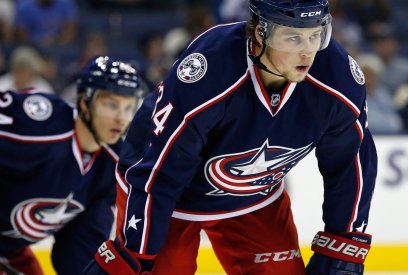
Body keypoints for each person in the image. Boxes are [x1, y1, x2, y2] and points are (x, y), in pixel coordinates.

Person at [85, 0, 377, 274]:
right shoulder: (210, 70)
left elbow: (351, 160)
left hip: (254, 197)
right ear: (261, 33)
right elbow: (160, 167)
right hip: (171, 199)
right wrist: (136, 251)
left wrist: (345, 242)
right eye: (293, 37)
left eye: (316, 35)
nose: (308, 51)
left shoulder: (336, 78)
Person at [0, 56, 144, 274]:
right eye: (111, 104)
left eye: (128, 107)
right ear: (84, 102)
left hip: (10, 250)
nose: (121, 118)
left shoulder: (112, 167)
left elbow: (80, 247)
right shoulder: (40, 124)